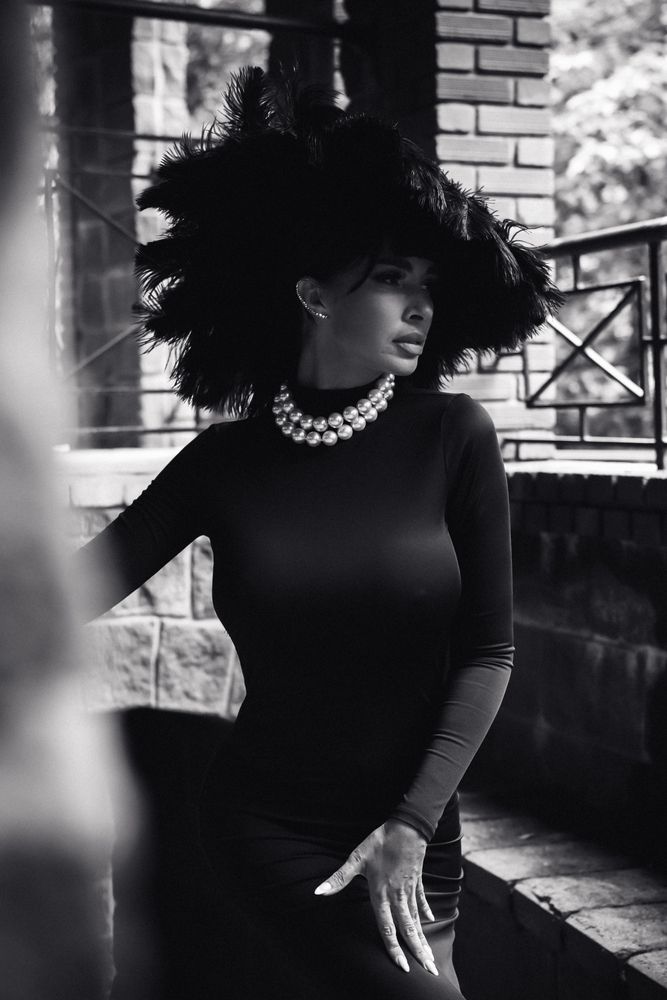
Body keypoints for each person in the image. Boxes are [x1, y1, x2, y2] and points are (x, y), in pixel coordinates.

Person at [76, 66, 562, 1000]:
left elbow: (488, 653)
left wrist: (411, 823)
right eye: (389, 279)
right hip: (269, 827)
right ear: (313, 294)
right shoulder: (225, 463)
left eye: (427, 284)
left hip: (415, 832)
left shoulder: (453, 435)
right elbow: (66, 594)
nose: (420, 305)